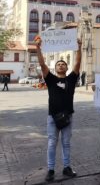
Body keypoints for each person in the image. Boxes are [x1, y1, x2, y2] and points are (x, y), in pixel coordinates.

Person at [35, 36, 82, 182]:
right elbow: (42, 64)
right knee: (51, 143)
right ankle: (50, 170)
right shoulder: (51, 79)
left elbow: (78, 62)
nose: (61, 65)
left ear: (67, 68)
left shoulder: (71, 79)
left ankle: (67, 167)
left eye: (63, 64)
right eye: (58, 64)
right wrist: (38, 48)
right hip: (52, 117)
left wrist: (79, 47)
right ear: (55, 68)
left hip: (68, 116)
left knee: (66, 143)